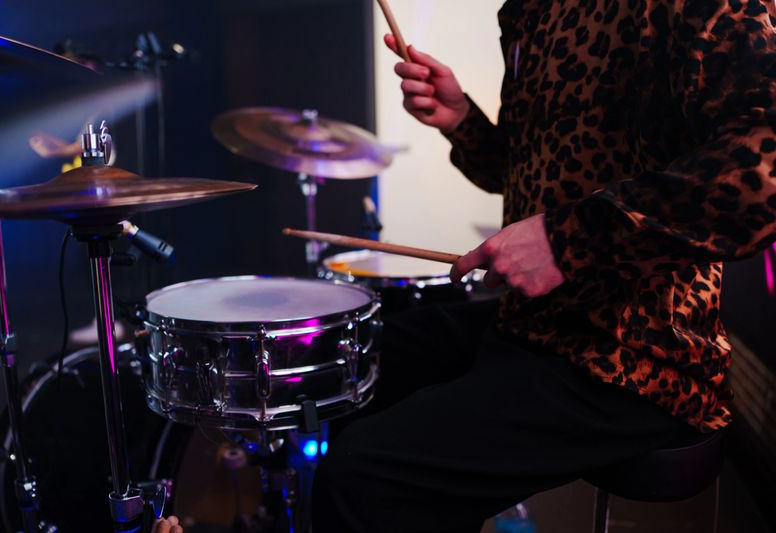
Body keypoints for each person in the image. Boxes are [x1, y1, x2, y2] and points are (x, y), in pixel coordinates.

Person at [312, 1, 776, 531]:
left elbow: (763, 171)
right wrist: (462, 119)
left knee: (364, 475)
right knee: (359, 360)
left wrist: (567, 240)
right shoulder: (528, 13)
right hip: (532, 322)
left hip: (640, 349)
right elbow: (528, 175)